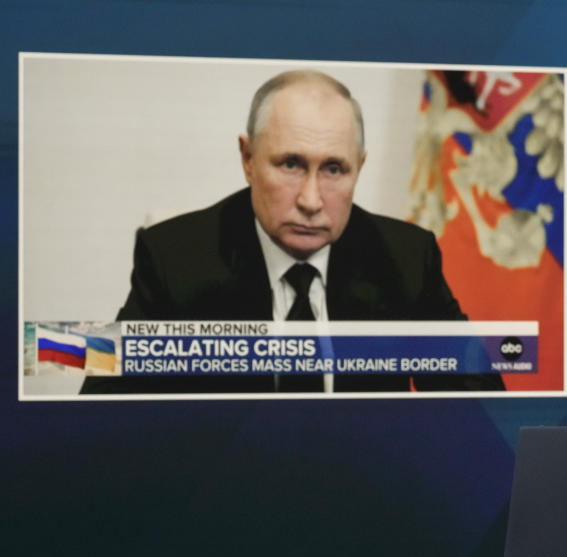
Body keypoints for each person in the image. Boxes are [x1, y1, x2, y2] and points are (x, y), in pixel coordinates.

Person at [81, 70, 503, 394]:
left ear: (360, 167)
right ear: (248, 158)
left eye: (334, 169)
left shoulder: (407, 258)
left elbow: (483, 406)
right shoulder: (174, 257)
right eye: (290, 165)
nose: (311, 200)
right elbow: (98, 412)